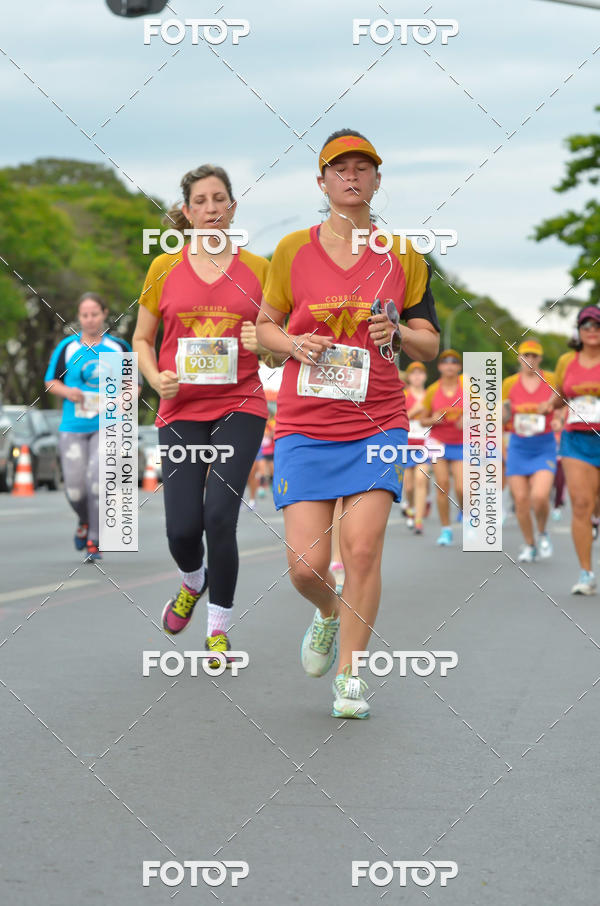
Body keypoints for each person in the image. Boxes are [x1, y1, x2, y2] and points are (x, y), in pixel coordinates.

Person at [256, 129, 440, 719]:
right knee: (306, 567)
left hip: (377, 420)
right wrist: (291, 340)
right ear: (323, 182)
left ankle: (351, 673)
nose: (352, 177)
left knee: (362, 550)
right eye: (340, 169)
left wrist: (402, 334)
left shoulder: (403, 254)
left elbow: (430, 345)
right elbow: (264, 329)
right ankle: (329, 613)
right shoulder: (291, 250)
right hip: (306, 425)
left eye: (363, 168)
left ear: (378, 180)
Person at [133, 164, 276, 663]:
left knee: (219, 516)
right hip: (181, 409)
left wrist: (266, 344)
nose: (211, 208)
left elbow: (275, 348)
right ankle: (192, 580)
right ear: (187, 211)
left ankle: (219, 628)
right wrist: (154, 378)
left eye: (220, 199)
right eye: (201, 201)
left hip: (240, 404)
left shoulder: (259, 269)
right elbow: (141, 340)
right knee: (181, 529)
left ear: (232, 207)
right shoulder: (163, 268)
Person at [45, 293, 134, 562]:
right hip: (73, 425)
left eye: (94, 313)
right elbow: (50, 382)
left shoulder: (118, 347)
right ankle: (84, 520)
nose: (89, 319)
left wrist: (123, 398)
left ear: (104, 313)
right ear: (79, 317)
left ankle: (95, 538)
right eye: (84, 315)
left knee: (98, 481)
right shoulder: (67, 348)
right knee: (75, 488)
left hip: (108, 425)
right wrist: (68, 392)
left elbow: (134, 385)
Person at [547, 306, 600, 594]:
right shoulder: (568, 360)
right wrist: (549, 406)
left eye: (597, 324)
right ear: (578, 331)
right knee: (581, 503)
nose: (592, 329)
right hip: (576, 440)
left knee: (594, 503)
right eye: (586, 324)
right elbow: (561, 395)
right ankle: (586, 574)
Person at [502, 340, 558, 562]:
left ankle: (542, 532)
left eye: (535, 355)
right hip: (518, 446)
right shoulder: (509, 383)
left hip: (544, 446)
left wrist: (557, 418)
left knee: (540, 496)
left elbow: (562, 402)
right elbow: (504, 414)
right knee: (522, 500)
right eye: (526, 355)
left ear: (540, 359)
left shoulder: (551, 379)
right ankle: (529, 544)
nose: (530, 359)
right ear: (519, 358)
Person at [419, 350, 464, 546]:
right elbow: (422, 420)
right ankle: (446, 530)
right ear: (439, 367)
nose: (449, 365)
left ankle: (464, 510)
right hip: (439, 442)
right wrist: (433, 419)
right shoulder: (432, 390)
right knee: (442, 485)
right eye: (445, 362)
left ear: (459, 367)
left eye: (454, 362)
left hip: (462, 443)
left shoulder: (468, 388)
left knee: (463, 488)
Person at [402, 361, 431, 534]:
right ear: (409, 377)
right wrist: (415, 410)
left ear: (425, 376)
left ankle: (418, 520)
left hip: (425, 445)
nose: (417, 376)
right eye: (414, 373)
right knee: (409, 487)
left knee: (421, 480)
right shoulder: (403, 395)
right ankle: (411, 508)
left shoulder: (430, 395)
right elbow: (400, 418)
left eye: (420, 373)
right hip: (407, 444)